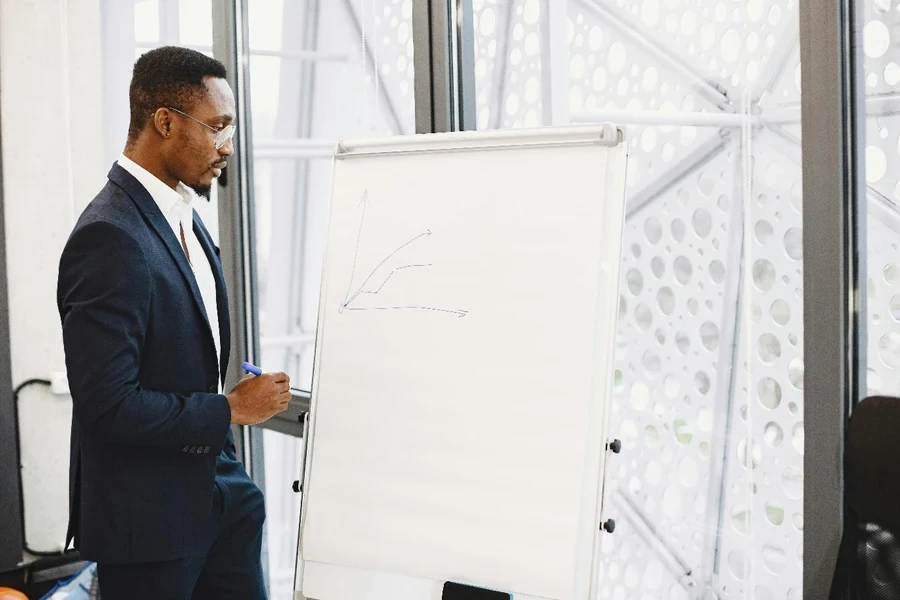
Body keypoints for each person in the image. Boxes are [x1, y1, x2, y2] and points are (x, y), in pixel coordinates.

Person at [56, 46, 289, 599]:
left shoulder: (182, 213)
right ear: (164, 121)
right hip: (150, 528)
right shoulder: (108, 236)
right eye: (217, 128)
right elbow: (107, 404)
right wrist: (230, 409)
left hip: (222, 503)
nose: (227, 147)